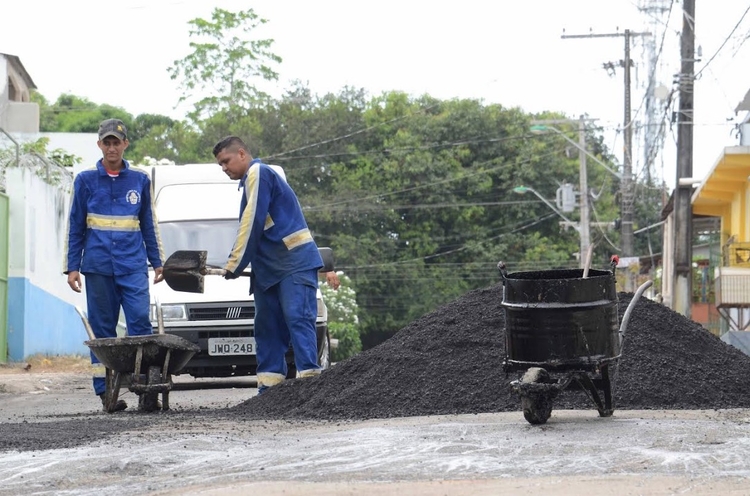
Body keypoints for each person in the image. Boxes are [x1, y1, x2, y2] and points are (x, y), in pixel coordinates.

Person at [63, 118, 165, 412]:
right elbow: (75, 227)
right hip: (97, 267)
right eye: (106, 142)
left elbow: (149, 225)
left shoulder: (140, 180)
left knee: (140, 327)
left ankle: (146, 388)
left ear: (125, 145)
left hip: (133, 267)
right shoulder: (84, 181)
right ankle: (106, 393)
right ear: (99, 145)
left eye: (116, 142)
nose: (111, 147)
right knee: (102, 332)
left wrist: (158, 263)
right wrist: (72, 267)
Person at [214, 136, 324, 394]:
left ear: (242, 153)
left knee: (298, 319)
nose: (224, 168)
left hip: (294, 264)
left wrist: (235, 263)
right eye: (220, 165)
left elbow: (251, 223)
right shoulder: (249, 184)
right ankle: (269, 392)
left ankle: (312, 390)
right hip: (268, 270)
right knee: (267, 328)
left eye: (226, 161)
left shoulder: (258, 173)